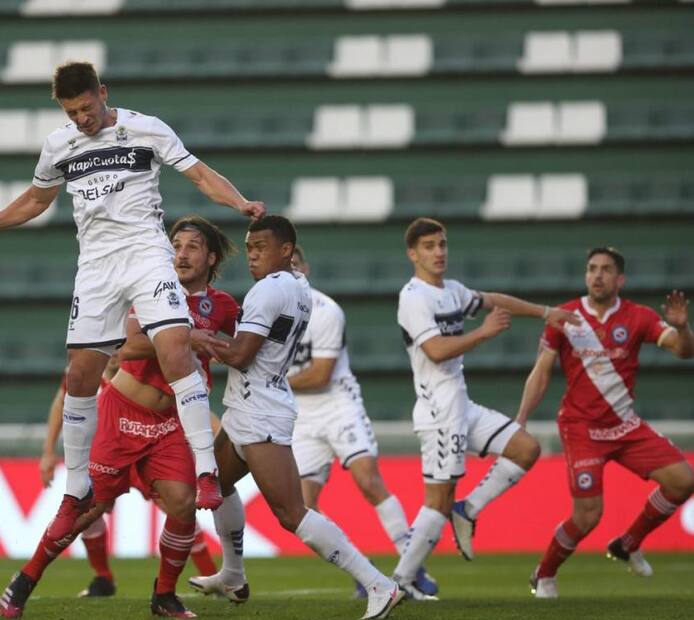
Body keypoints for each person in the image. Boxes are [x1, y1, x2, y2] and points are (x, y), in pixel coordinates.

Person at [0, 62, 265, 540]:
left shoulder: (146, 128)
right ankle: (76, 488)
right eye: (71, 112)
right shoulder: (60, 145)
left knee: (175, 346)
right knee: (79, 373)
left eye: (86, 107)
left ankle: (205, 468)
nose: (82, 118)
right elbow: (35, 202)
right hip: (96, 267)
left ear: (103, 93)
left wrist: (239, 202)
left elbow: (199, 175)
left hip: (145, 254)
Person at [0, 216, 239, 620]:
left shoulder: (224, 306)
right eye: (176, 245)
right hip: (122, 415)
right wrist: (189, 339)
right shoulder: (151, 289)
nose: (180, 253)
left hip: (170, 424)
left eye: (192, 247)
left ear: (210, 257)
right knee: (87, 508)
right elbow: (128, 347)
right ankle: (25, 579)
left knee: (183, 504)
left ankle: (164, 595)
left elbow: (238, 349)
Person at [188, 215, 403, 620]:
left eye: (261, 248)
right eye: (249, 248)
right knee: (218, 482)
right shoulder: (299, 287)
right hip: (253, 401)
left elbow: (240, 355)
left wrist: (197, 337)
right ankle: (233, 575)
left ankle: (379, 583)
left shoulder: (267, 291)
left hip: (261, 408)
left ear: (286, 250)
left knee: (292, 514)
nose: (252, 255)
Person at [392, 217, 579, 599]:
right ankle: (401, 581)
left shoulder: (453, 291)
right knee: (437, 500)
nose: (439, 252)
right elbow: (435, 350)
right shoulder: (413, 297)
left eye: (442, 244)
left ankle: (469, 510)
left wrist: (546, 312)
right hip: (439, 412)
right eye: (429, 246)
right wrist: (482, 333)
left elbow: (494, 300)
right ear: (413, 254)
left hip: (462, 405)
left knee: (526, 448)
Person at [519, 247, 693, 598]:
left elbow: (683, 350)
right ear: (586, 275)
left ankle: (628, 543)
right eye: (592, 269)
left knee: (683, 482)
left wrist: (683, 328)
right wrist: (520, 420)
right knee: (587, 516)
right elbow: (541, 372)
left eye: (606, 269)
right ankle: (544, 573)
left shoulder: (637, 316)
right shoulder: (566, 317)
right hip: (582, 428)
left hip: (626, 427)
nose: (597, 275)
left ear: (620, 279)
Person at [287, 246, 438, 598]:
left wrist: (272, 380)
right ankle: (363, 571)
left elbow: (321, 375)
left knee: (368, 481)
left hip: (338, 405)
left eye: (295, 265)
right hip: (301, 417)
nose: (291, 272)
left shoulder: (325, 311)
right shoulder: (264, 311)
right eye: (284, 266)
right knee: (302, 510)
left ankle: (412, 569)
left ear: (305, 268)